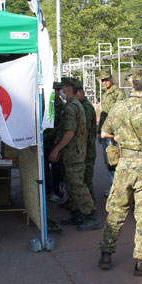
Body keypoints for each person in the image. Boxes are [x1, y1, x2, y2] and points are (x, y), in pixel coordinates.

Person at [98, 66, 142, 275]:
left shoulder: (119, 107)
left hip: (124, 165)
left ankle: (106, 254)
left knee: (117, 210)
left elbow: (103, 133)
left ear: (133, 84)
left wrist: (121, 138)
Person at [49, 77, 101, 231]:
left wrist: (57, 149)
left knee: (77, 185)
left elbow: (70, 132)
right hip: (73, 153)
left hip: (74, 154)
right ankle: (77, 213)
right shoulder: (73, 105)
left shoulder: (72, 107)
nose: (61, 92)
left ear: (68, 88)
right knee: (72, 184)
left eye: (62, 88)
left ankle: (91, 216)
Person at [98, 70, 124, 191]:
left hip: (114, 133)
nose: (105, 82)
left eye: (106, 79)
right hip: (106, 131)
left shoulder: (118, 93)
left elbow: (119, 112)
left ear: (111, 78)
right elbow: (103, 115)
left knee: (115, 161)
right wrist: (100, 131)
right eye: (102, 80)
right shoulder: (105, 94)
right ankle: (113, 186)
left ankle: (117, 189)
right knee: (108, 161)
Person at [76, 85, 98, 204]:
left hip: (87, 150)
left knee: (86, 179)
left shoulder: (86, 107)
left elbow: (86, 131)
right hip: (85, 149)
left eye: (76, 93)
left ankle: (91, 206)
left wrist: (81, 150)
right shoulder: (82, 105)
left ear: (82, 92)